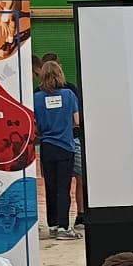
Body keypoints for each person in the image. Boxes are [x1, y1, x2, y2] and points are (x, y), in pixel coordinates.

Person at [35, 61, 81, 239]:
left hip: (46, 146)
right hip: (65, 145)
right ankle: (63, 227)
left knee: (50, 186)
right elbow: (76, 120)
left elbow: (35, 125)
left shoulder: (37, 98)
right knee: (63, 187)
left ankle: (53, 224)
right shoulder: (69, 95)